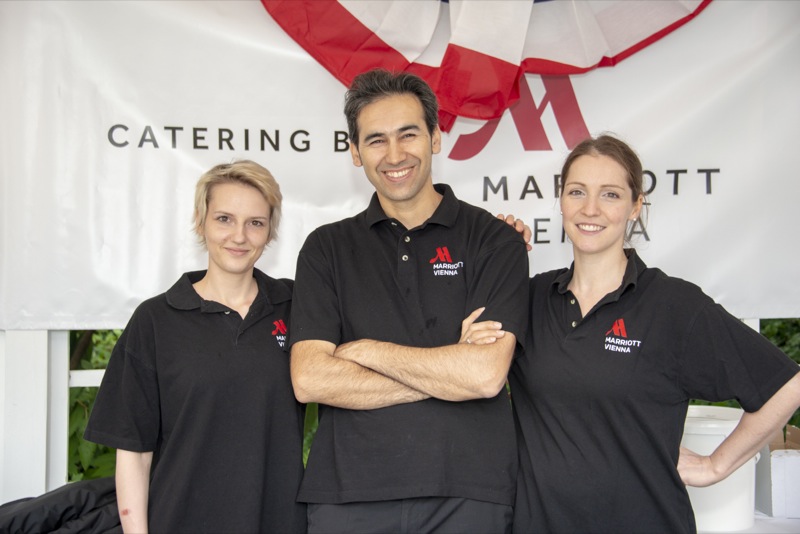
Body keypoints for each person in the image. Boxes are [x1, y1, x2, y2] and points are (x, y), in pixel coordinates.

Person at [464, 134, 800, 533]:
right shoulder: (529, 298)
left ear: (636, 206)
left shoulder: (672, 305)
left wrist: (715, 465)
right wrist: (498, 259)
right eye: (577, 191)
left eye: (610, 194)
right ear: (561, 200)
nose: (590, 208)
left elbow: (786, 385)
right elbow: (472, 376)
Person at [289, 68, 530, 533]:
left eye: (408, 134)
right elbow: (310, 379)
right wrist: (449, 366)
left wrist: (365, 351)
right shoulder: (326, 248)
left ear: (435, 138)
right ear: (355, 152)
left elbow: (484, 375)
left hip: (467, 492)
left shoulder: (495, 240)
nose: (395, 155)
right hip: (348, 496)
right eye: (376, 140)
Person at [84, 161, 306, 533]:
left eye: (255, 222)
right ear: (200, 221)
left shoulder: (297, 305)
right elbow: (134, 455)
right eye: (224, 219)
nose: (239, 236)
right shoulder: (155, 321)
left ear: (270, 231)